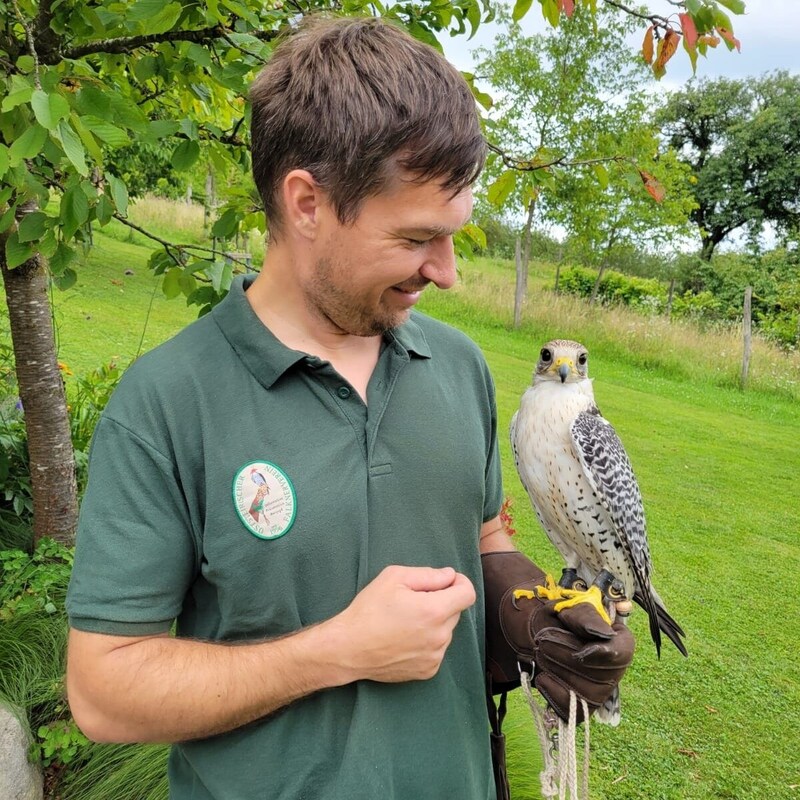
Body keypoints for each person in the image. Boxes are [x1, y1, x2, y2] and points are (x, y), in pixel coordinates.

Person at [66, 16, 633, 799]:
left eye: (455, 236)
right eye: (416, 239)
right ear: (307, 202)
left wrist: (524, 611)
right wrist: (338, 650)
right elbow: (103, 691)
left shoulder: (459, 366)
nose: (448, 273)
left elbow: (480, 529)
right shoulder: (167, 403)